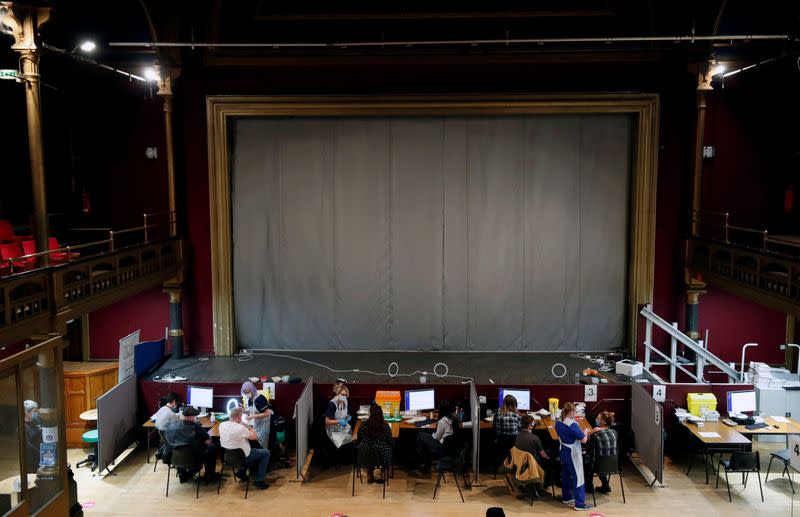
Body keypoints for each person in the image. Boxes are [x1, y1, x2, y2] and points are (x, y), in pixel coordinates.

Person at [164, 406, 220, 483]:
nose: (195, 419)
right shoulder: (196, 427)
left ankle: (183, 475)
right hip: (194, 458)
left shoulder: (170, 427)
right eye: (194, 417)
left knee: (182, 451)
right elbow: (208, 442)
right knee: (212, 448)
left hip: (175, 459)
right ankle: (209, 476)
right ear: (190, 417)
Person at [219, 407, 270, 490]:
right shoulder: (240, 428)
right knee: (266, 453)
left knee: (244, 447)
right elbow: (254, 437)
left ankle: (241, 472)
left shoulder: (222, 425)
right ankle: (258, 481)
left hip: (228, 458)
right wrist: (247, 426)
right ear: (239, 417)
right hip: (244, 458)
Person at [555, 402, 593, 511]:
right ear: (571, 411)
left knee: (566, 475)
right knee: (578, 477)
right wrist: (585, 432)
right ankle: (580, 504)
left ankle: (567, 497)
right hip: (572, 454)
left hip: (563, 452)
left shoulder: (558, 422)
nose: (575, 413)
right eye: (575, 411)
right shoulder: (572, 425)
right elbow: (584, 440)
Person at [415, 400, 457, 473]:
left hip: (441, 446)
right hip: (449, 446)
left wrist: (433, 434)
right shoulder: (453, 418)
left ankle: (424, 464)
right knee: (424, 439)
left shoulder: (442, 421)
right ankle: (425, 463)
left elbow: (437, 437)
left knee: (420, 435)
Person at [355, 404, 393, 483]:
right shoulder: (385, 426)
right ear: (381, 414)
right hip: (382, 455)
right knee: (387, 448)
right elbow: (389, 441)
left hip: (365, 455)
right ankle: (383, 472)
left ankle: (370, 473)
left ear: (370, 414)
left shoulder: (363, 425)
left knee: (370, 450)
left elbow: (359, 440)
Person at [585, 411, 618, 494]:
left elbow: (588, 448)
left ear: (603, 421)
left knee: (586, 462)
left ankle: (589, 487)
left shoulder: (596, 434)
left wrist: (589, 433)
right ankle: (605, 485)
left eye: (597, 418)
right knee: (602, 460)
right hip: (613, 465)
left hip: (597, 465)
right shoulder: (614, 433)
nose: (596, 420)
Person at [241, 381, 272, 451]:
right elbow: (252, 411)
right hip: (257, 423)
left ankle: (265, 456)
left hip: (264, 423)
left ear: (252, 390)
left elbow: (267, 413)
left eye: (247, 392)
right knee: (256, 440)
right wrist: (244, 411)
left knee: (262, 442)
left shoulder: (260, 399)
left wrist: (252, 416)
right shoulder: (250, 399)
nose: (246, 394)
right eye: (245, 393)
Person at [323, 382, 353, 448]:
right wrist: (339, 421)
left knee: (350, 441)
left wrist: (348, 416)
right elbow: (327, 421)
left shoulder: (345, 401)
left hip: (342, 427)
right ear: (337, 394)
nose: (344, 397)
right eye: (342, 394)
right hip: (333, 430)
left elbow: (344, 412)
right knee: (342, 445)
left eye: (346, 395)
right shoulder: (332, 404)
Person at [24, 400, 42, 473]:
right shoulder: (22, 426)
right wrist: (39, 452)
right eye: (34, 411)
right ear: (26, 412)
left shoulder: (36, 420)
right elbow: (28, 445)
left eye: (36, 411)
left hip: (41, 453)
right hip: (31, 456)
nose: (36, 413)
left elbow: (41, 434)